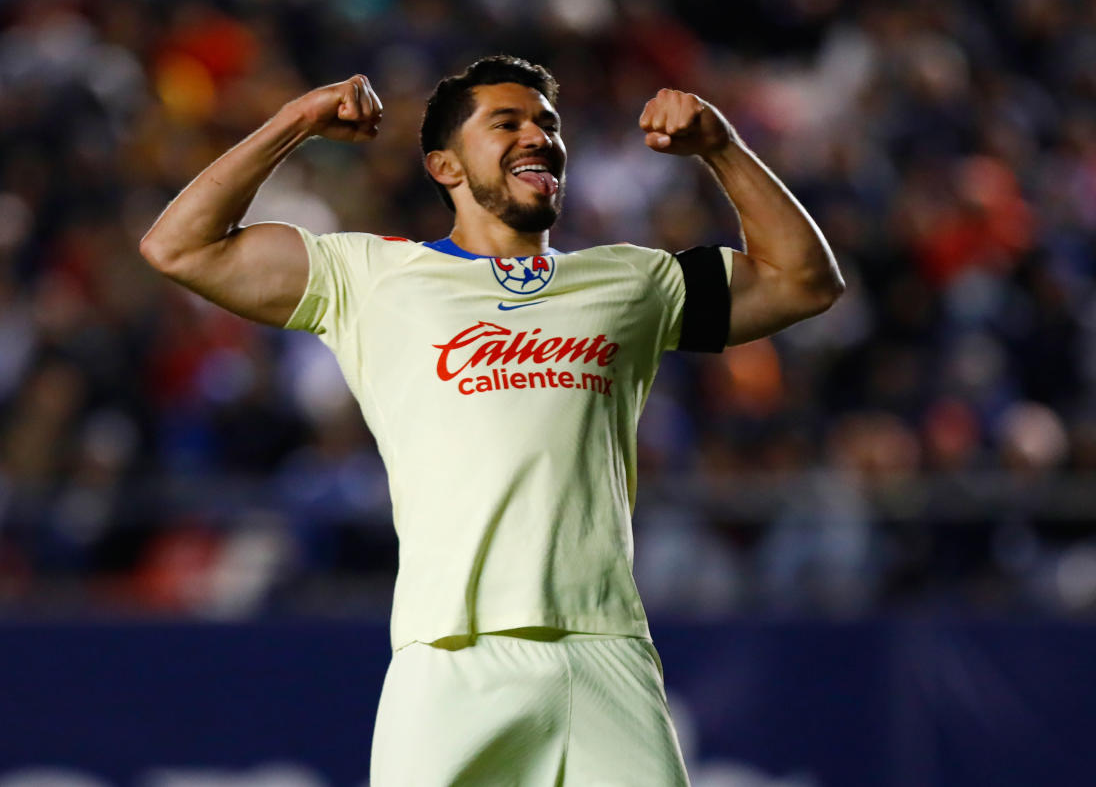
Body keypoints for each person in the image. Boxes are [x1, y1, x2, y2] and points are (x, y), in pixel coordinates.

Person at [140, 55, 842, 785]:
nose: (539, 136)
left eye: (548, 124)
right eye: (507, 122)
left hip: (604, 653)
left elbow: (803, 280)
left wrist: (722, 147)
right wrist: (295, 122)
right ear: (444, 166)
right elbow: (179, 246)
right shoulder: (372, 278)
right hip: (448, 656)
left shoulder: (631, 281)